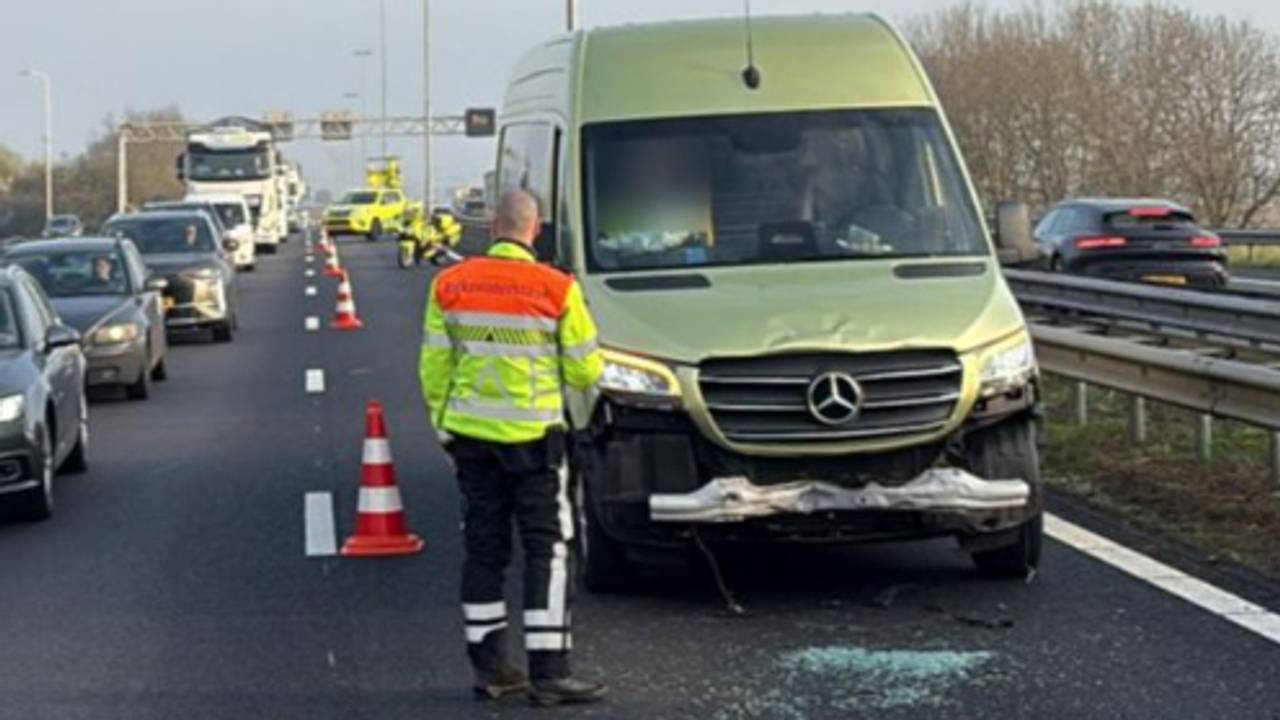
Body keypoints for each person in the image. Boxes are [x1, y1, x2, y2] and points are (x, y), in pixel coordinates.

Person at [419, 190, 606, 707]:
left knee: (485, 550)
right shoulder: (557, 288)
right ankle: (550, 672)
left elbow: (435, 367)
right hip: (534, 442)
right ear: (535, 227)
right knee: (546, 549)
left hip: (472, 441)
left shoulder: (450, 285)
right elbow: (585, 369)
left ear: (492, 225)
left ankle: (491, 670)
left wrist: (444, 427)